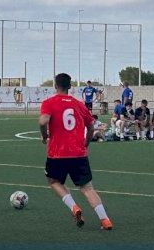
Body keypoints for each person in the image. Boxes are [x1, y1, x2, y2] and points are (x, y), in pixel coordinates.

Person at [39, 72, 113, 231]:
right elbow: (91, 127)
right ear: (70, 87)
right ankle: (105, 220)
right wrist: (86, 143)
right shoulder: (79, 104)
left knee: (54, 181)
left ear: (55, 86)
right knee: (87, 188)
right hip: (78, 153)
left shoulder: (49, 102)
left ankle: (74, 207)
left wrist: (44, 136)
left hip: (57, 153)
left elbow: (43, 121)